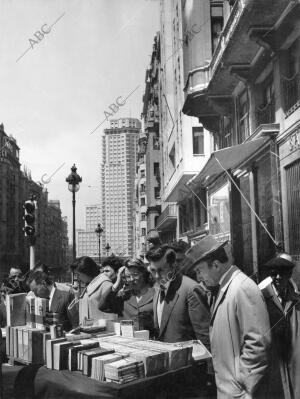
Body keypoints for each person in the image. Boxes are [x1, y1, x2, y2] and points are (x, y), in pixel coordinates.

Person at [186, 235, 271, 399]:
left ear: (216, 265)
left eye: (199, 271)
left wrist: (245, 391)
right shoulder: (226, 287)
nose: (199, 277)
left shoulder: (242, 287)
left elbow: (258, 344)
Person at [146, 244, 210, 348]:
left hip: (187, 361)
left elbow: (204, 336)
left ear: (173, 266)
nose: (157, 276)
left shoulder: (191, 289)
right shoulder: (157, 288)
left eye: (161, 270)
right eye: (153, 271)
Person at [259, 253, 300, 399]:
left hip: (293, 361)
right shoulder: (261, 298)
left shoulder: (297, 300)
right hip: (273, 362)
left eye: (280, 274)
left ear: (289, 275)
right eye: (273, 273)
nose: (276, 277)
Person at [68, 256, 121, 326]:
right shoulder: (89, 285)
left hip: (100, 333)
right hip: (90, 332)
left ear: (86, 272)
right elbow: (80, 314)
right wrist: (77, 296)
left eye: (78, 275)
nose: (77, 278)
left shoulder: (105, 284)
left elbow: (111, 316)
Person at [107, 258, 155, 336]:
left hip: (150, 341)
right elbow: (103, 306)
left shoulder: (155, 294)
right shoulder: (124, 295)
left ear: (144, 274)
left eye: (135, 275)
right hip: (126, 342)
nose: (131, 279)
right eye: (128, 276)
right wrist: (117, 282)